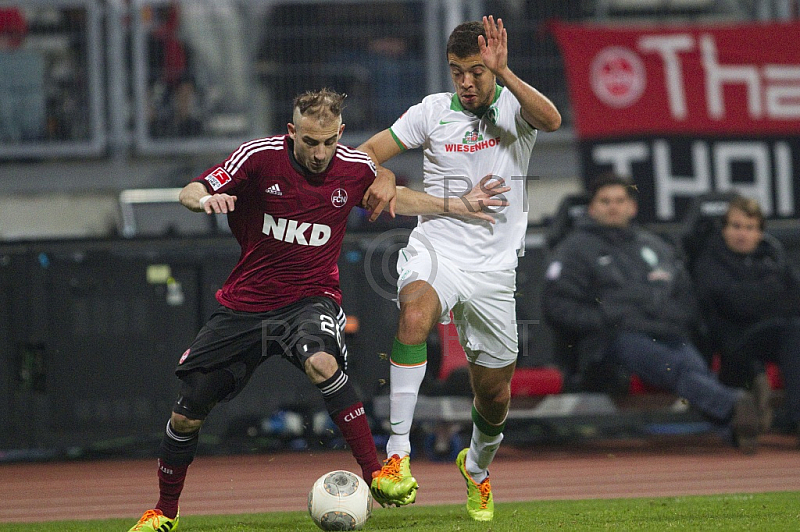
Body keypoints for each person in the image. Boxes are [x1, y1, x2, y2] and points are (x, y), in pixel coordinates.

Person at [127, 88, 503, 532]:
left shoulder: (355, 168)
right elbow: (193, 189)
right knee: (185, 414)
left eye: (328, 141)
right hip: (245, 307)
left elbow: (396, 198)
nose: (320, 152)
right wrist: (204, 200)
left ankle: (376, 474)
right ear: (292, 132)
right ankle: (164, 513)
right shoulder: (257, 157)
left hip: (311, 299)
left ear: (340, 133)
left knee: (322, 362)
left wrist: (461, 205)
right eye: (309, 142)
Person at [358, 16, 562, 521]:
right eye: (457, 71)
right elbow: (364, 155)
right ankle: (397, 456)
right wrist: (380, 172)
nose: (466, 82)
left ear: (492, 67)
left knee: (493, 395)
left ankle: (476, 467)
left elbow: (553, 120)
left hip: (494, 269)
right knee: (413, 314)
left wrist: (507, 73)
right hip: (438, 247)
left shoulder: (515, 107)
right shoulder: (431, 112)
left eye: (476, 71)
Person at [541, 173, 761, 455]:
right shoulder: (574, 250)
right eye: (605, 201)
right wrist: (611, 319)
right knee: (675, 366)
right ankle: (732, 406)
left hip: (665, 333)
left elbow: (686, 297)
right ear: (592, 208)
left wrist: (667, 319)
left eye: (620, 200)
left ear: (632, 207)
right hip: (606, 345)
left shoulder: (654, 245)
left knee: (692, 367)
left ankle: (733, 426)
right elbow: (558, 308)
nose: (613, 207)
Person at [692, 195, 800, 442]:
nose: (742, 234)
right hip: (732, 346)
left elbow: (796, 294)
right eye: (736, 226)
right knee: (792, 328)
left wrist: (764, 297)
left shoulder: (773, 254)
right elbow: (738, 304)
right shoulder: (709, 260)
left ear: (760, 232)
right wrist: (773, 293)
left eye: (750, 227)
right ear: (724, 229)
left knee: (794, 330)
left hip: (774, 334)